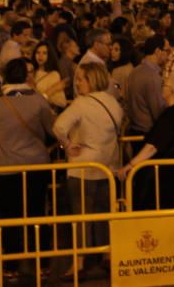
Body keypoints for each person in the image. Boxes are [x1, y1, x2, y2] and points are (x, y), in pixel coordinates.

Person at [119, 72, 174, 274]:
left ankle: (165, 257)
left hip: (168, 176)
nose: (162, 87)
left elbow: (153, 146)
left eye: (165, 84)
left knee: (165, 218)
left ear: (172, 90)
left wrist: (130, 165)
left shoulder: (171, 115)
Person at [0, 58, 55, 280]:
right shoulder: (40, 102)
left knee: (9, 216)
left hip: (4, 167)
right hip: (36, 164)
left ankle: (11, 265)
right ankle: (42, 263)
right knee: (37, 213)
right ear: (26, 77)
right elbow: (52, 130)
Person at [53, 61, 124, 279]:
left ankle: (80, 261)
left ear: (91, 80)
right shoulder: (114, 103)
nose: (77, 83)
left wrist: (66, 144)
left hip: (82, 167)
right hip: (108, 166)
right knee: (105, 213)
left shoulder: (81, 104)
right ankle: (107, 256)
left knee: (82, 215)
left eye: (81, 79)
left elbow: (58, 127)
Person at [126, 35, 169, 135]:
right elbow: (158, 111)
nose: (168, 55)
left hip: (135, 128)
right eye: (167, 51)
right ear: (158, 51)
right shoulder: (152, 77)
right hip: (147, 132)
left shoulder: (135, 71)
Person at [31, 40, 67, 109]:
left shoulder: (53, 75)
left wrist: (46, 94)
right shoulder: (31, 72)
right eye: (38, 52)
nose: (40, 56)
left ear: (49, 55)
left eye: (44, 53)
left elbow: (61, 102)